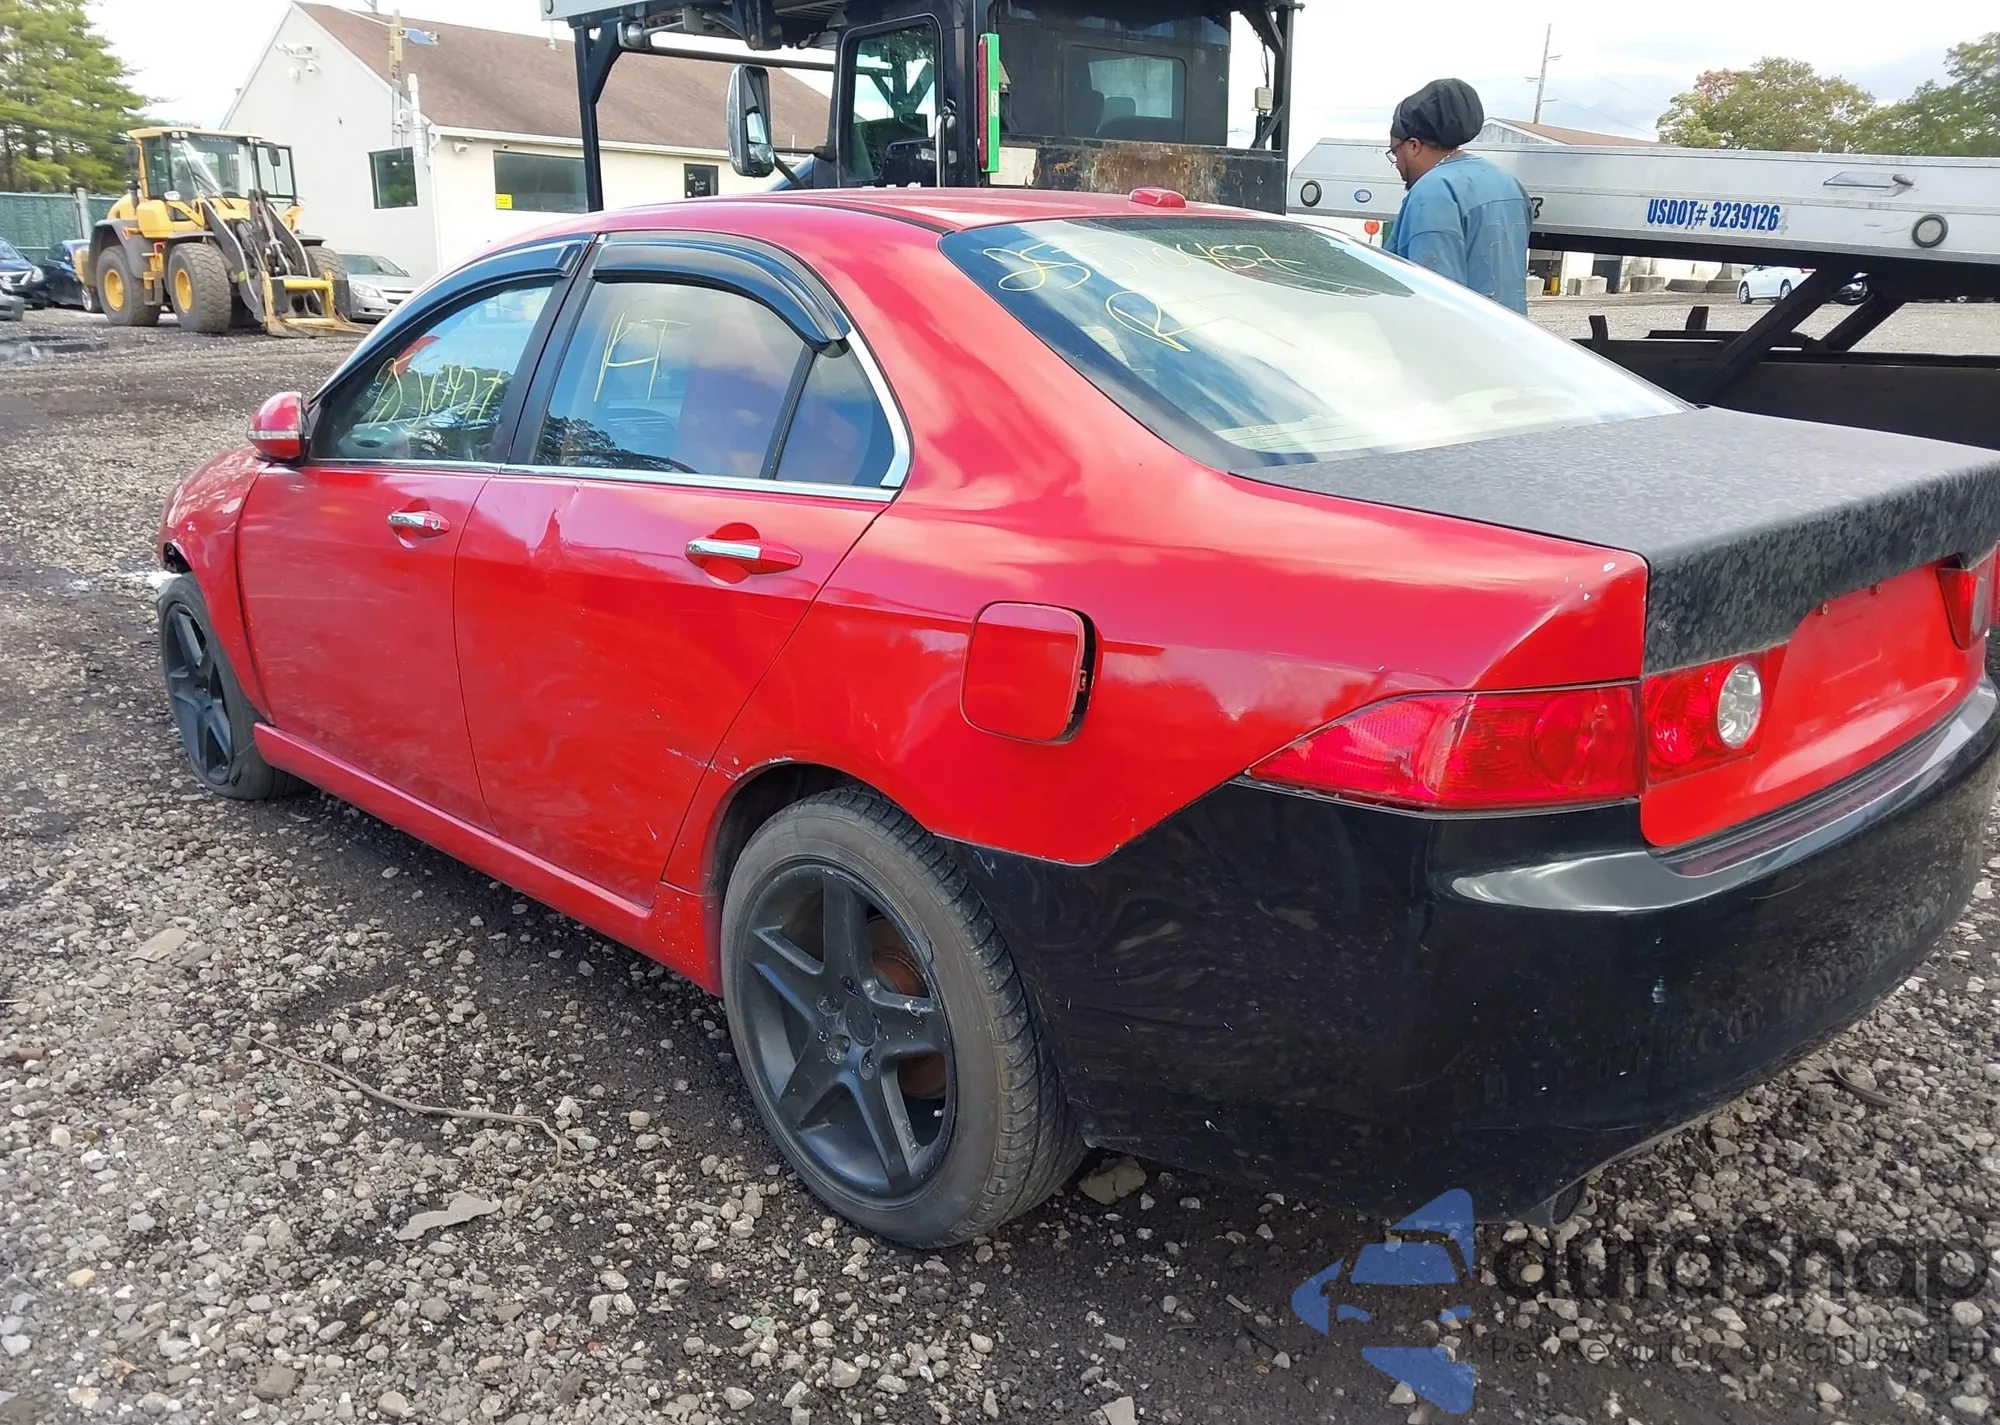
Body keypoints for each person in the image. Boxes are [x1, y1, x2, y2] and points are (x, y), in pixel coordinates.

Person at [1384, 79, 1533, 313]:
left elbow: (1436, 298)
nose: (1397, 165)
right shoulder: (1505, 182)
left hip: (1458, 334)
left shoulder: (1433, 191)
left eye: (1395, 152)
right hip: (1509, 331)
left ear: (1413, 146)